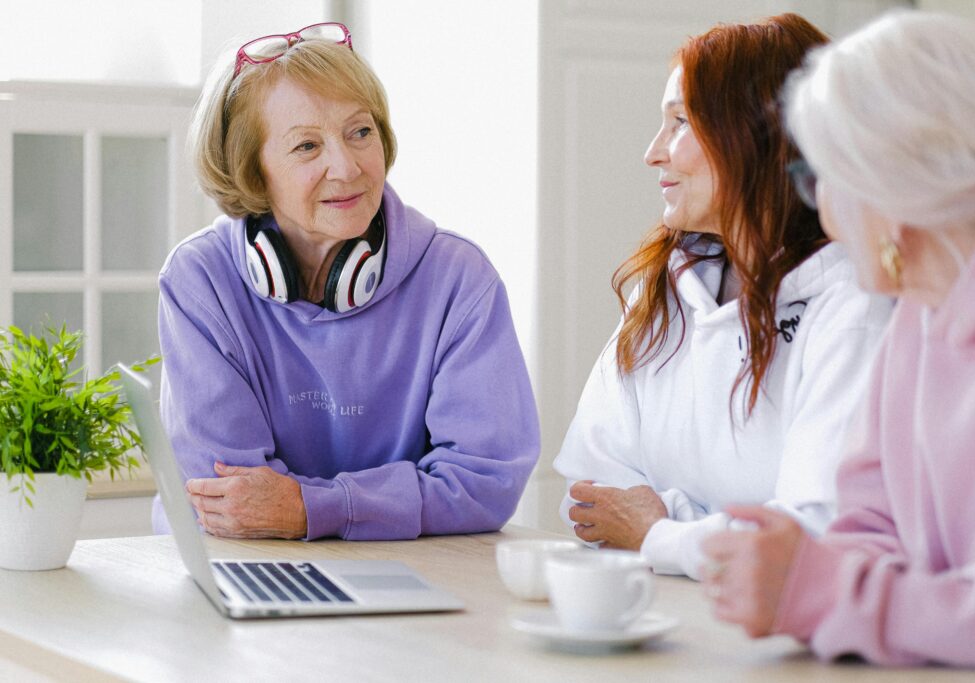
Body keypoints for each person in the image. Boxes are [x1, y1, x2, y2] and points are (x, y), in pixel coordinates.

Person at [701, 11, 975, 668]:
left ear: (893, 182)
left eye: (818, 178)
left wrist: (835, 594)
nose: (821, 213)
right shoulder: (919, 313)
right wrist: (802, 571)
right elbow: (871, 527)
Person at [155, 23, 539, 540]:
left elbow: (483, 481)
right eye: (307, 146)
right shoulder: (200, 280)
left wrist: (313, 508)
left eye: (361, 132)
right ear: (252, 172)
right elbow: (228, 500)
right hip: (243, 570)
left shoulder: (459, 279)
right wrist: (393, 504)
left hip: (408, 575)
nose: (347, 166)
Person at [552, 14, 893, 578]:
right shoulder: (663, 293)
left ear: (759, 136)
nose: (653, 152)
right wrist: (693, 537)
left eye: (680, 122)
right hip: (662, 621)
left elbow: (812, 537)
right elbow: (588, 497)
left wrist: (658, 532)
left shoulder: (856, 307)